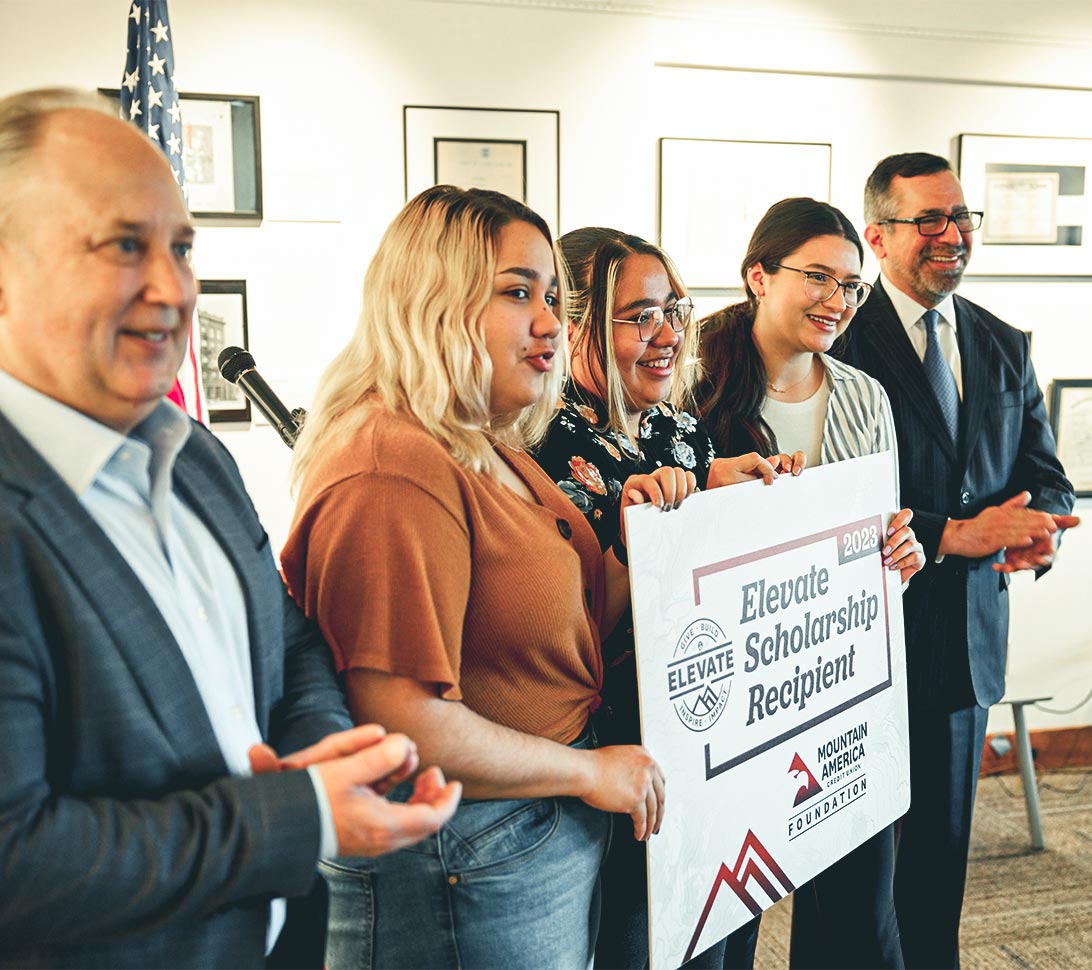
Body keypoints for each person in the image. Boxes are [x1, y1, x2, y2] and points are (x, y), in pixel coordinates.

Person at [0, 88, 461, 969]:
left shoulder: (198, 454)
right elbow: (19, 860)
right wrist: (304, 812)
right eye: (124, 245)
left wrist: (315, 754)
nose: (174, 289)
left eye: (181, 245)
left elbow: (288, 642)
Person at [280, 187, 690, 970]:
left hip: (523, 834)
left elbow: (567, 618)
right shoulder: (391, 464)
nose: (548, 324)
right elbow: (403, 720)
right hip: (468, 854)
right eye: (516, 293)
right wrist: (588, 771)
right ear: (430, 299)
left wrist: (650, 535)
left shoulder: (479, 442)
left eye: (551, 297)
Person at [533, 227, 828, 969]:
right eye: (639, 316)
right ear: (575, 326)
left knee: (728, 934)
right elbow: (559, 628)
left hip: (715, 745)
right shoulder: (536, 447)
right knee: (646, 943)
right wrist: (643, 536)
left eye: (675, 308)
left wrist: (762, 506)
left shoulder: (680, 430)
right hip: (617, 763)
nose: (668, 334)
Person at [836, 153, 1078, 968]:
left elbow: (1044, 473)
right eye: (929, 220)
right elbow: (838, 494)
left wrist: (1040, 525)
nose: (953, 235)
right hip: (863, 639)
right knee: (857, 876)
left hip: (967, 644)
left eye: (962, 217)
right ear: (877, 235)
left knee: (939, 866)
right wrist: (961, 531)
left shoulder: (1001, 342)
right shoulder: (839, 343)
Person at [697, 197, 926, 969]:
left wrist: (901, 552)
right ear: (759, 276)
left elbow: (880, 539)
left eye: (852, 285)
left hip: (839, 698)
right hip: (736, 713)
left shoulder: (865, 396)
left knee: (862, 925)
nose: (839, 300)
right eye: (818, 278)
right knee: (726, 926)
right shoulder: (690, 386)